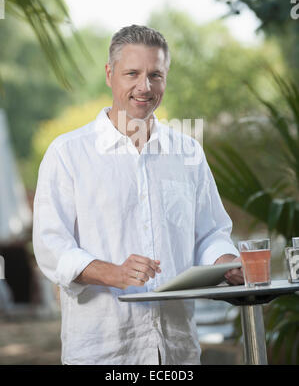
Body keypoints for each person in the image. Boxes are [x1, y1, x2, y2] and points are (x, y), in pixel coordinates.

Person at [33, 24, 243, 366]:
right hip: (104, 350)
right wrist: (111, 272)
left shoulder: (187, 151)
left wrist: (225, 263)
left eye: (155, 75)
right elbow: (51, 246)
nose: (145, 87)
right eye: (132, 73)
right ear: (109, 73)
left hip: (176, 350)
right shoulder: (68, 153)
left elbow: (210, 232)